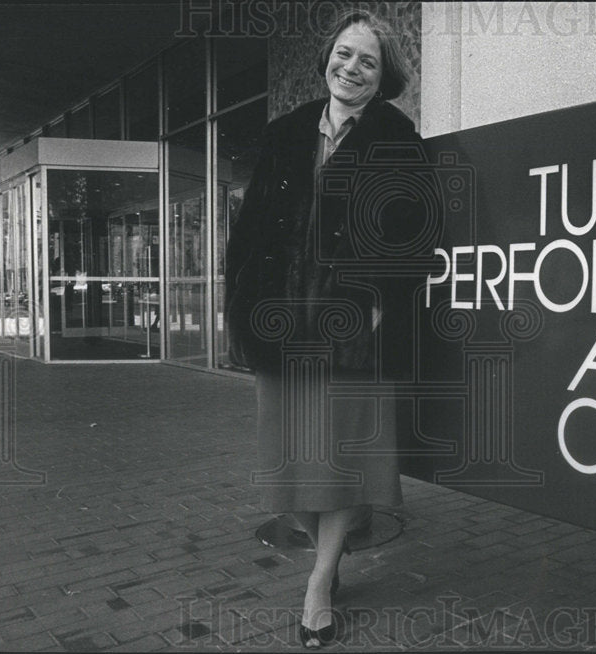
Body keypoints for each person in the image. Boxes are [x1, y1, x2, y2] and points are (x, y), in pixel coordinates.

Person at [224, 9, 433, 649]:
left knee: (342, 460)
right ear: (327, 59)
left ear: (383, 75)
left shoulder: (398, 138)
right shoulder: (286, 131)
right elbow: (253, 224)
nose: (350, 68)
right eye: (344, 54)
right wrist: (242, 301)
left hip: (350, 329)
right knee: (292, 459)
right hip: (282, 320)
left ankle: (319, 584)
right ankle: (327, 556)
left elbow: (420, 236)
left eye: (366, 61)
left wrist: (378, 301)